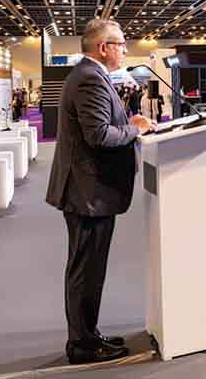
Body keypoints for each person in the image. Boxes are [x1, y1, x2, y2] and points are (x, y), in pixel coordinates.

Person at [46, 19, 155, 364]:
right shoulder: (89, 78)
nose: (125, 49)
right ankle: (82, 344)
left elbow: (98, 128)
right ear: (103, 47)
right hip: (87, 193)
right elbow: (98, 136)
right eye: (121, 44)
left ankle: (87, 335)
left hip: (89, 191)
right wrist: (135, 130)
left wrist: (127, 125)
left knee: (89, 269)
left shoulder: (90, 75)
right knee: (86, 271)